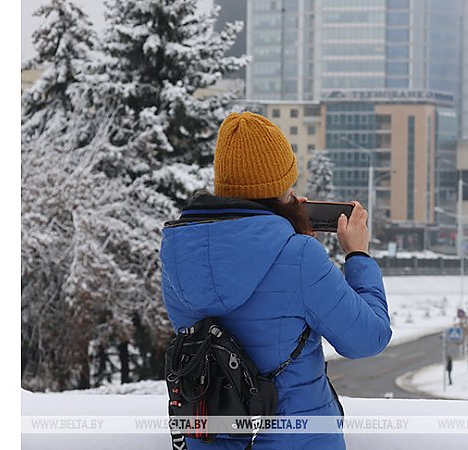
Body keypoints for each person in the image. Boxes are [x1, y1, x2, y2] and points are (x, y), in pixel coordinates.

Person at [160, 112, 392, 450]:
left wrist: (284, 231)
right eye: (287, 183)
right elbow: (368, 339)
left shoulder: (178, 253)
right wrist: (358, 256)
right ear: (277, 188)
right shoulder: (299, 256)